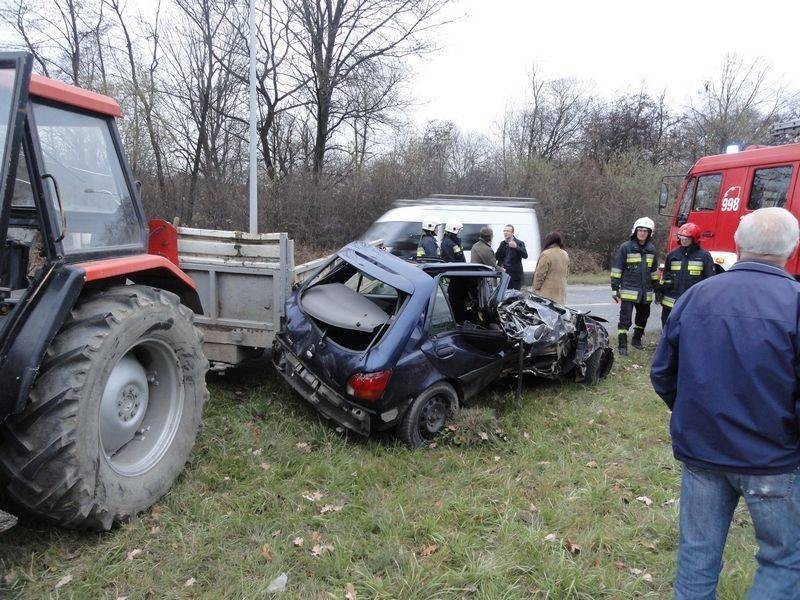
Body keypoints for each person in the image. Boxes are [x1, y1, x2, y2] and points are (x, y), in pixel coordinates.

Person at [650, 207, 800, 599]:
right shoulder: (795, 301)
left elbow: (663, 373)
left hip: (705, 453)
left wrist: (694, 416)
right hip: (772, 458)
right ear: (793, 248)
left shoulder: (696, 296)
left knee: (697, 557)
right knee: (785, 560)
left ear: (736, 244)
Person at [610, 217, 658, 356]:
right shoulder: (626, 247)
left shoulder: (651, 250)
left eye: (645, 231)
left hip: (646, 292)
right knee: (625, 320)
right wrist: (615, 289)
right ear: (635, 231)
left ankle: (636, 340)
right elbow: (617, 269)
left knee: (643, 317)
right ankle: (622, 346)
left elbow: (653, 272)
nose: (642, 233)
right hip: (628, 291)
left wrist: (657, 289)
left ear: (650, 233)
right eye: (640, 230)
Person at [658, 222, 714, 327]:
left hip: (692, 303)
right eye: (681, 237)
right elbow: (665, 276)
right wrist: (660, 291)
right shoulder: (672, 255)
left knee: (687, 330)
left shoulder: (704, 256)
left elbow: (709, 280)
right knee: (667, 329)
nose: (683, 240)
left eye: (687, 238)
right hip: (670, 303)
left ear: (695, 239)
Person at [533, 231, 569, 304]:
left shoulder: (546, 254)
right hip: (561, 292)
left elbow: (540, 275)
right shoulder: (565, 254)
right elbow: (567, 273)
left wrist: (535, 289)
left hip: (547, 293)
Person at [495, 224, 528, 290]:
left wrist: (516, 247)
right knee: (504, 296)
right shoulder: (502, 243)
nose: (505, 232)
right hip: (504, 273)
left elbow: (525, 255)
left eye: (508, 231)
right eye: (504, 231)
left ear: (512, 233)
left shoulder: (519, 243)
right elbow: (496, 257)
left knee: (514, 296)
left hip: (515, 275)